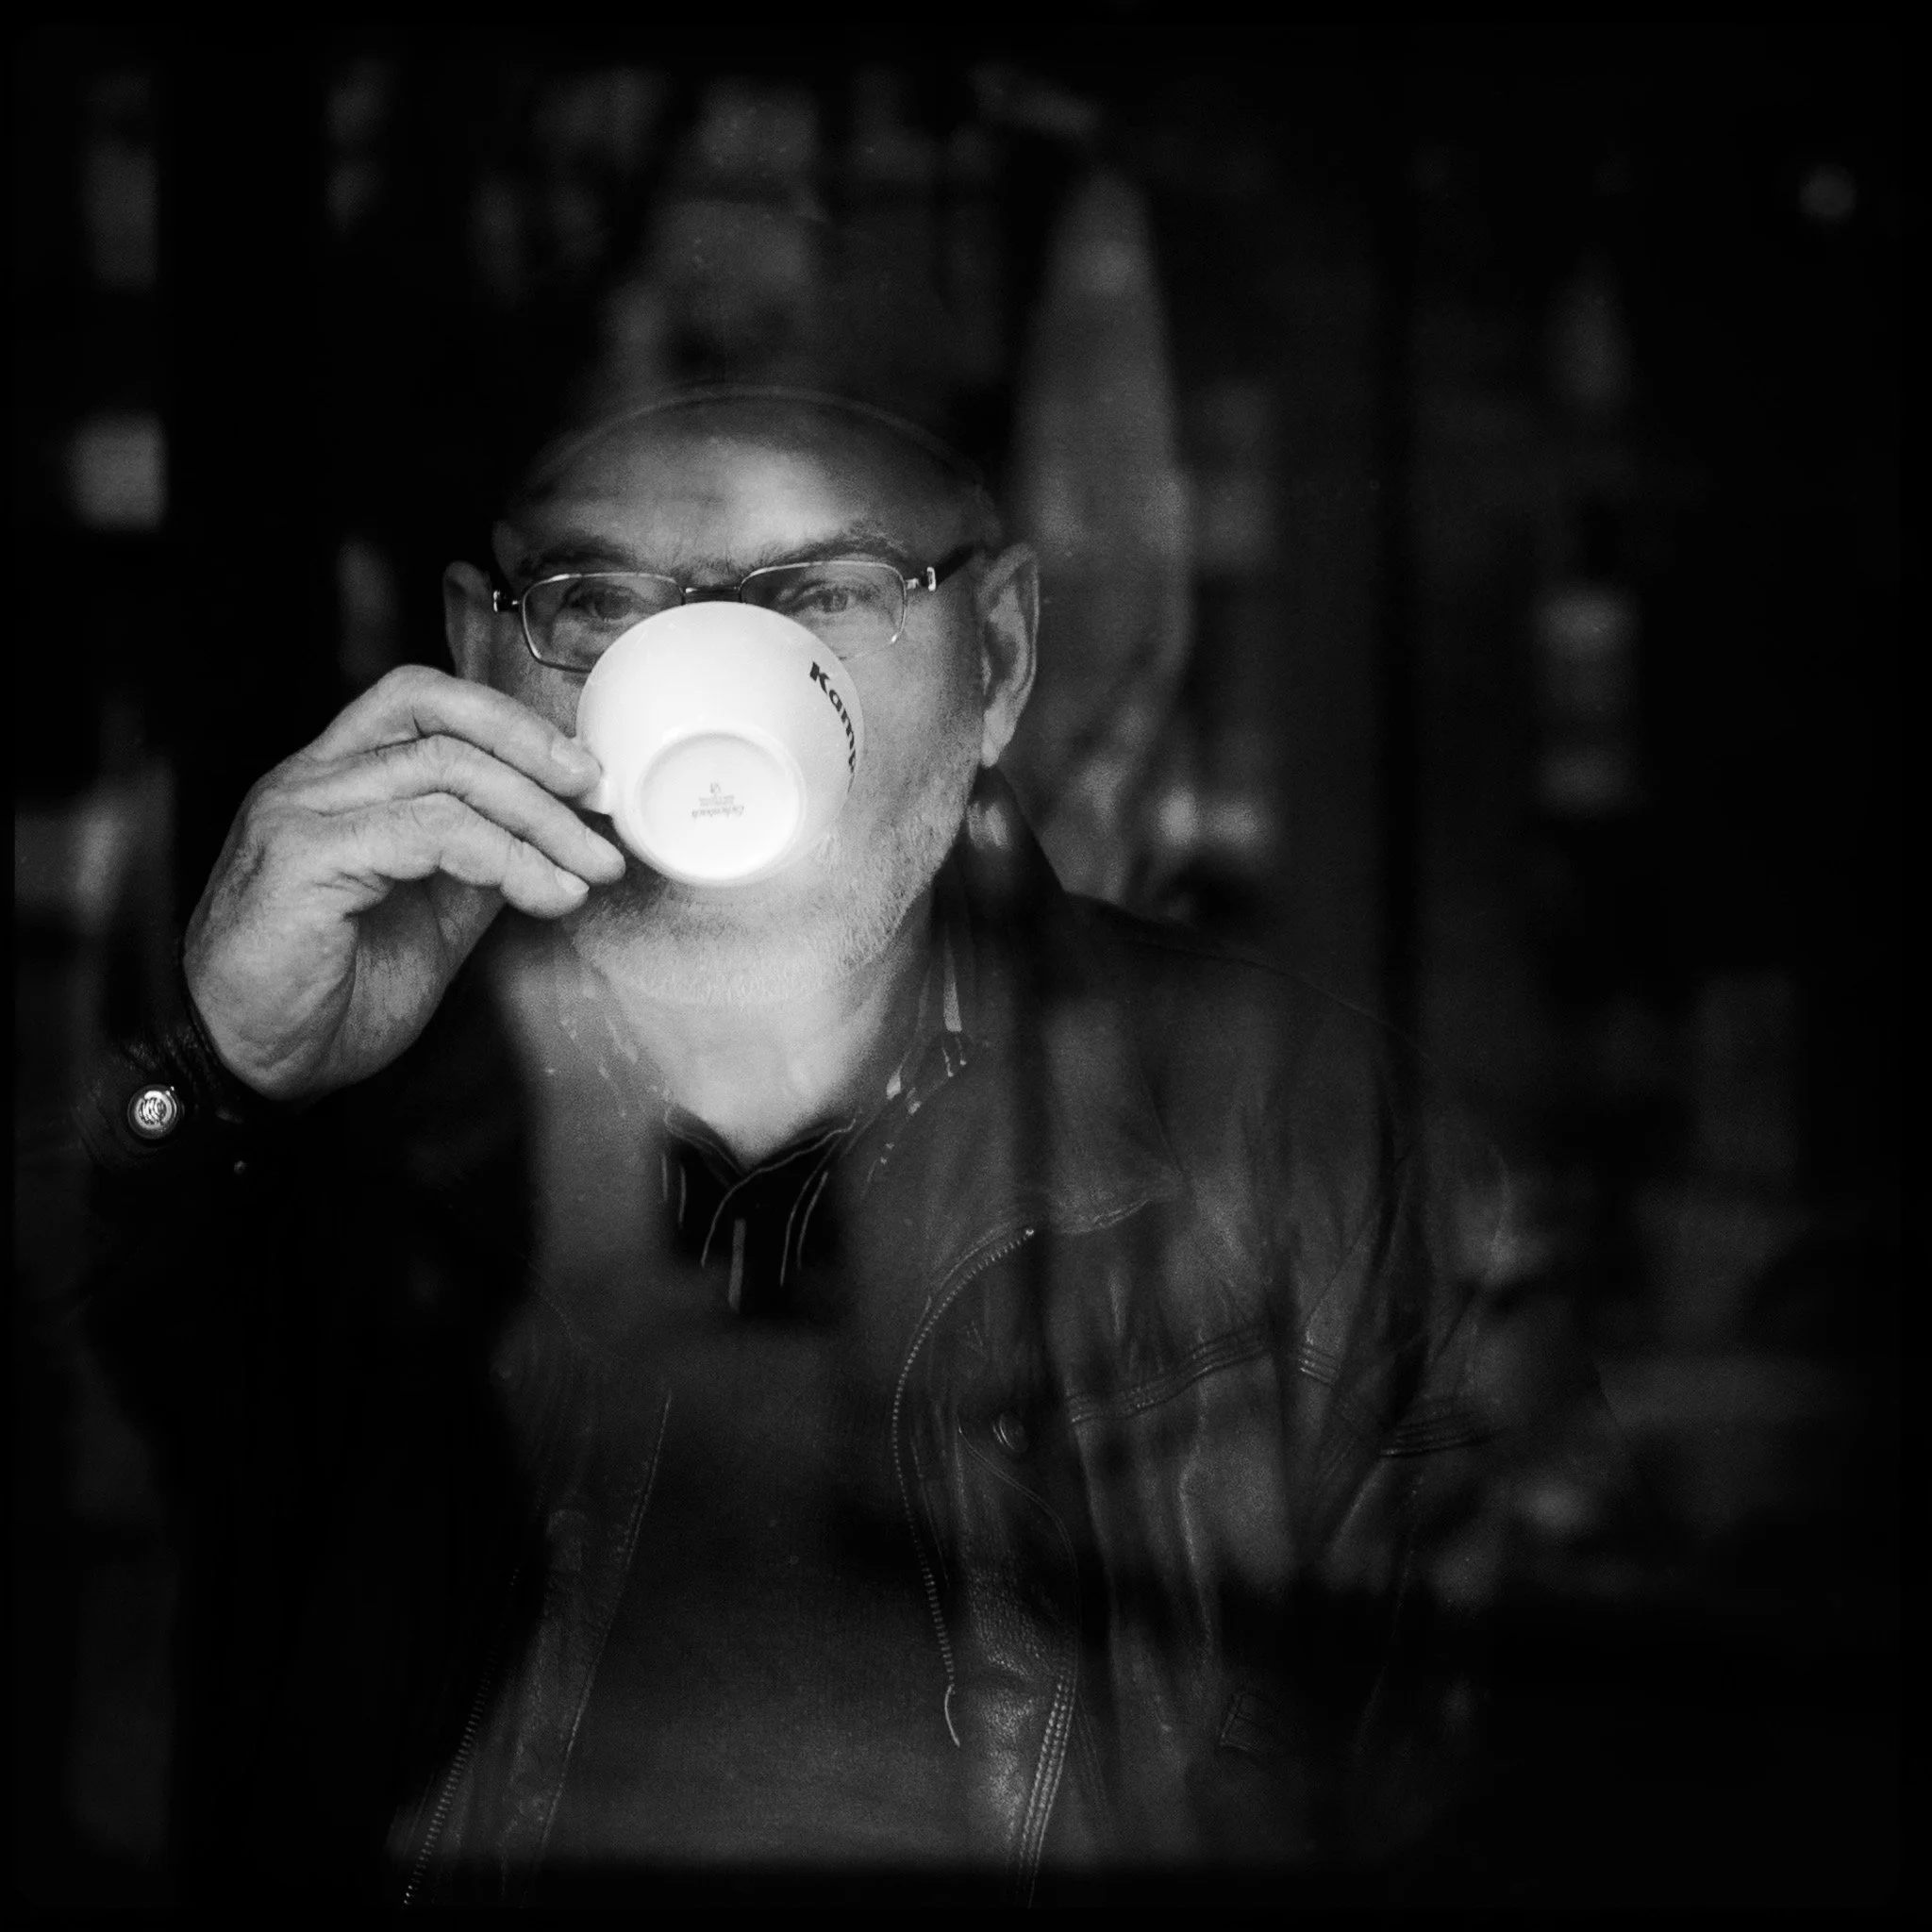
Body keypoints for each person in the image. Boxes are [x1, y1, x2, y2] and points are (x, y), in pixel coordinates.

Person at [73, 331, 1616, 1904]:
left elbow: (1508, 1780)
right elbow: (92, 1674)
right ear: (484, 659)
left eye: (817, 597)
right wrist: (208, 1075)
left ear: (998, 662)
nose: (689, 677)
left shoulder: (1294, 1132)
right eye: (599, 604)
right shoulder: (343, 1138)